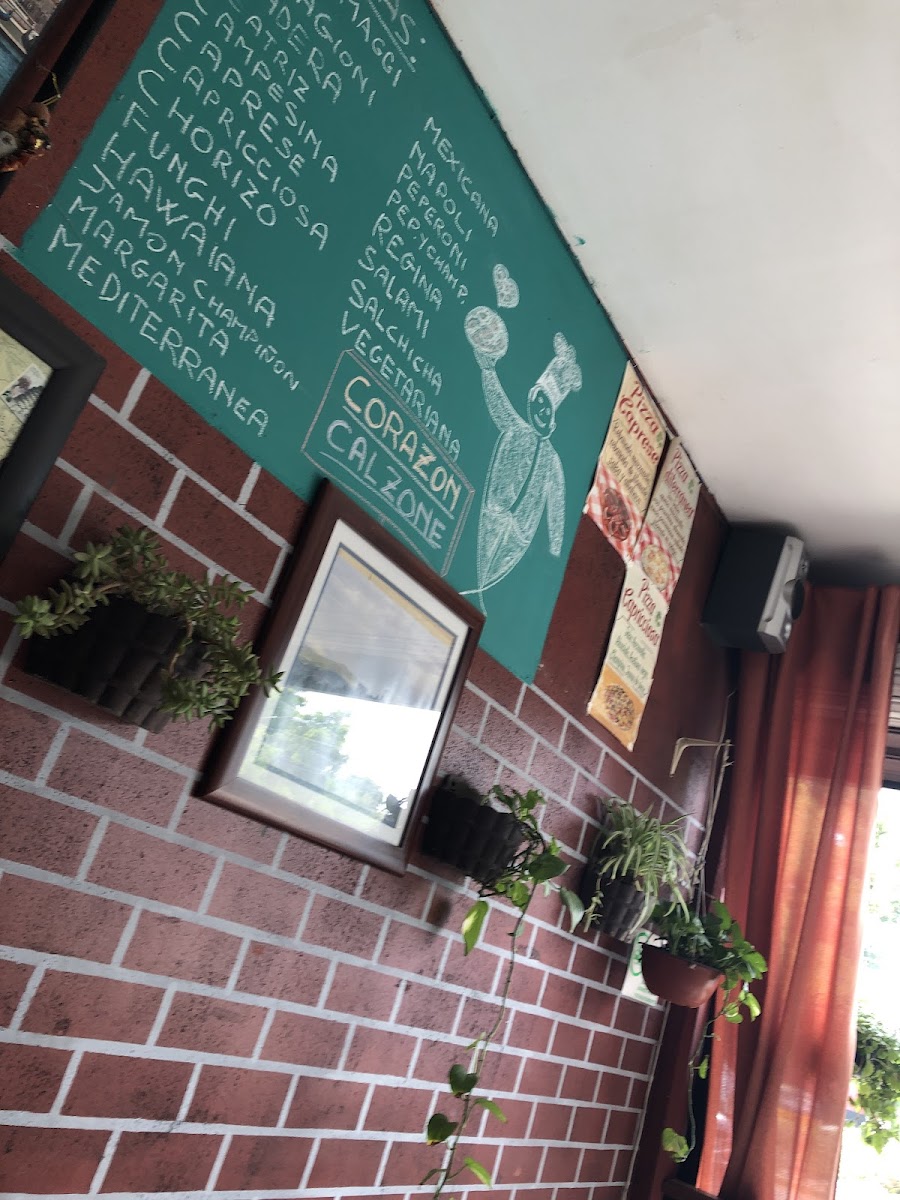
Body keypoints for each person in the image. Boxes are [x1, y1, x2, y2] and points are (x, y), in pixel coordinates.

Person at [463, 301, 582, 609]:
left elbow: (557, 503)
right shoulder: (516, 428)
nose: (540, 410)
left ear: (553, 416)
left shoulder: (553, 460)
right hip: (494, 512)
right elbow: (497, 401)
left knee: (496, 574)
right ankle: (476, 594)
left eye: (546, 407)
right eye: (537, 402)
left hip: (520, 533)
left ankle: (480, 599)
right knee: (480, 565)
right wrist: (487, 369)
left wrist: (555, 546)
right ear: (530, 403)